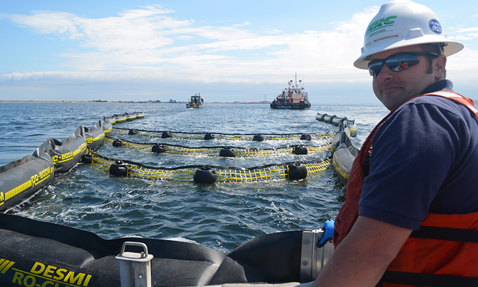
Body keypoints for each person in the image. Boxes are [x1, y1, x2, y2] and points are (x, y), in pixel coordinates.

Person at [311, 1, 478, 286]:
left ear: (438, 65)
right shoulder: (462, 113)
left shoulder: (422, 119)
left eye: (402, 62)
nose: (385, 74)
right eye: (375, 68)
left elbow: (370, 254)